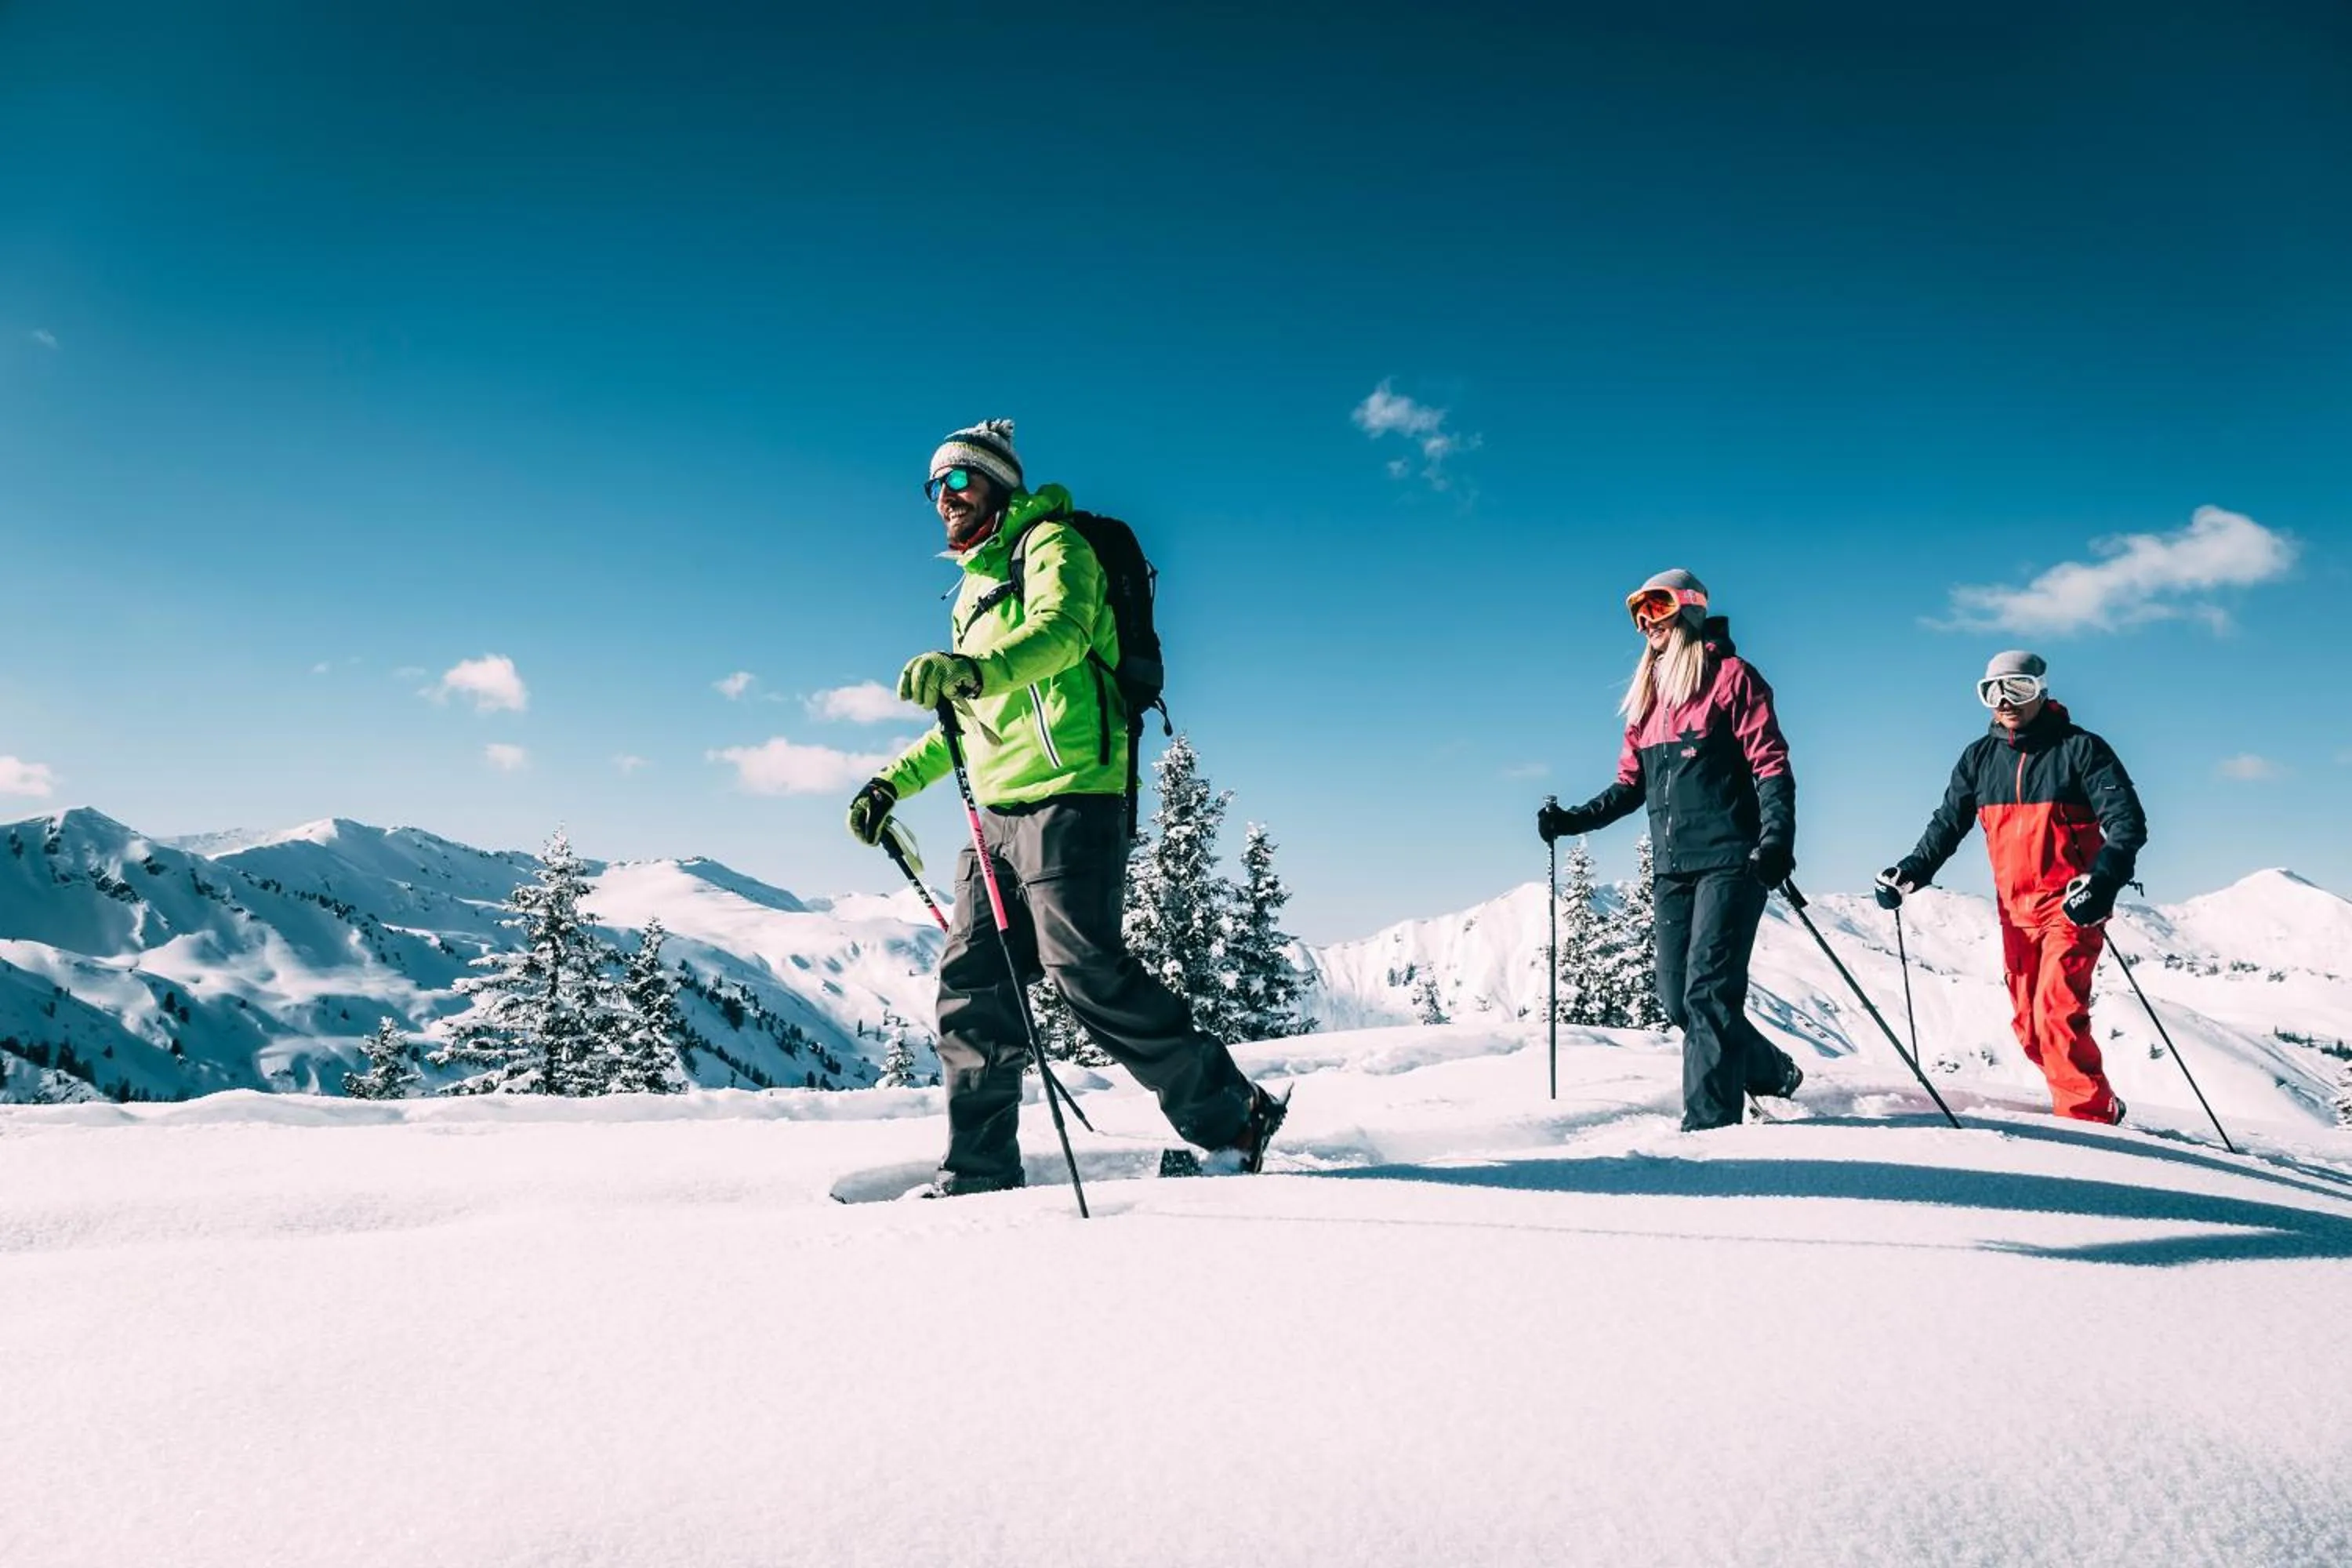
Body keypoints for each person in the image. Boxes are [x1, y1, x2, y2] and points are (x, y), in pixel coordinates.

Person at [843, 418, 1285, 1195]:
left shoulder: (1053, 545)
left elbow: (1063, 634)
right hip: (996, 816)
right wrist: (891, 784)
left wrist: (972, 670)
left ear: (998, 483)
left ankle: (1232, 1115)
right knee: (973, 994)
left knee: (1085, 970)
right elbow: (968, 718)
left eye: (959, 479)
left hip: (1073, 795)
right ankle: (979, 1171)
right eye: (934, 486)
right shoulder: (972, 589)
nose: (945, 497)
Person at [1537, 569, 1806, 1131]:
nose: (1646, 622)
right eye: (1637, 613)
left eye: (1656, 607)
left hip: (1733, 860)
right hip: (1673, 867)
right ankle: (1772, 1071)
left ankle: (1710, 1131)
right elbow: (1630, 785)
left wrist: (1776, 838)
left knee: (1710, 992)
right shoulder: (1650, 698)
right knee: (1677, 998)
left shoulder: (1732, 678)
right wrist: (1573, 820)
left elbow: (1771, 765)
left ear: (1688, 608)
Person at [1874, 651, 2147, 1124]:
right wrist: (1911, 870)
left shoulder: (2081, 749)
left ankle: (2090, 1128)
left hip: (2071, 905)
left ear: (2042, 689)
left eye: (2017, 688)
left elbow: (2127, 823)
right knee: (2029, 1028)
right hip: (2014, 912)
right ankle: (2097, 1101)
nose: (2004, 701)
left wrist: (2102, 882)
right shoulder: (1979, 759)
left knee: (2057, 1014)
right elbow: (1948, 824)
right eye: (1991, 691)